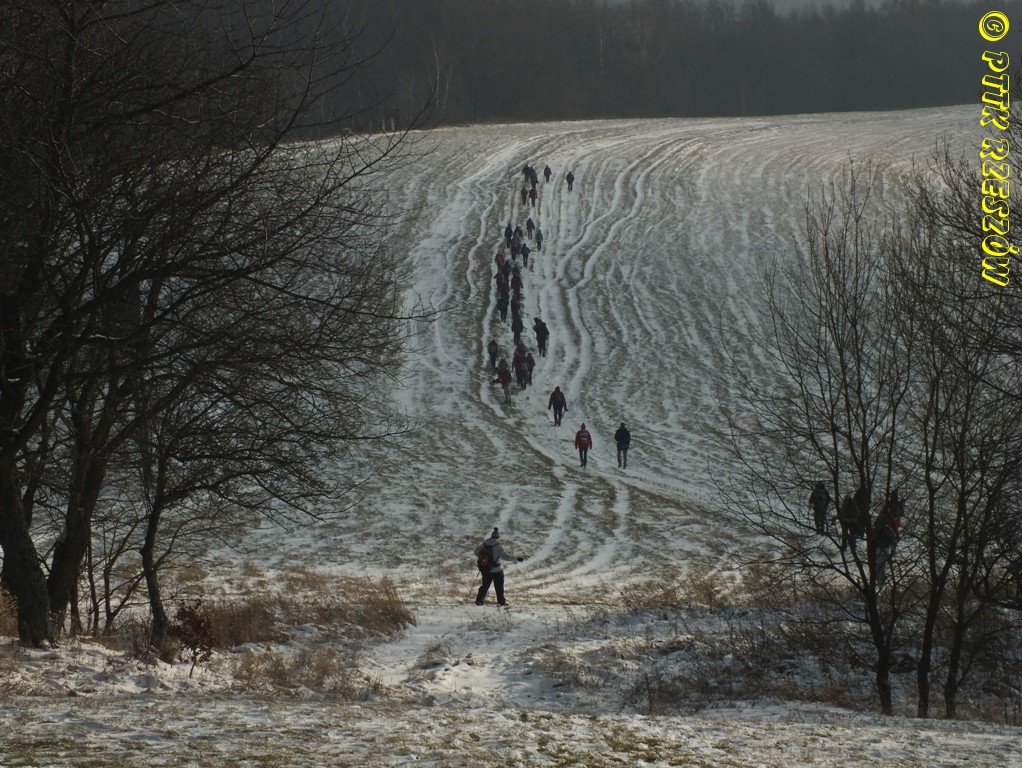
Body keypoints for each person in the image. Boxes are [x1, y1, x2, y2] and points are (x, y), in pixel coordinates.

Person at [475, 527, 523, 606]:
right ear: (498, 537)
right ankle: (501, 602)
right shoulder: (498, 546)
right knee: (499, 587)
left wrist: (484, 559)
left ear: (491, 536)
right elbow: (506, 557)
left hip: (486, 569)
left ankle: (479, 600)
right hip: (497, 570)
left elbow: (476, 552)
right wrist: (516, 558)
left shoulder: (484, 544)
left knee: (485, 586)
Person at [873, 489, 905, 585]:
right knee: (881, 561)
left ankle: (879, 578)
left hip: (879, 541)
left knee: (880, 561)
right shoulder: (892, 516)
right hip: (884, 542)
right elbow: (893, 531)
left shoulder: (887, 511)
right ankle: (879, 579)